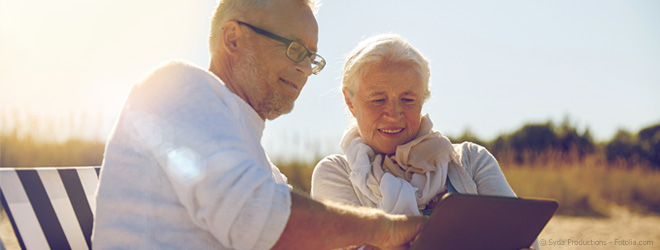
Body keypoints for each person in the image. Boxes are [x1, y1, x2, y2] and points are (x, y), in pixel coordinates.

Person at [92, 1, 426, 249]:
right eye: (295, 49)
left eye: (312, 58)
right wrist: (384, 228)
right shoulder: (176, 86)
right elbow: (257, 218)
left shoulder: (260, 164)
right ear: (234, 39)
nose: (306, 69)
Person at [310, 34, 540, 249]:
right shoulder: (335, 174)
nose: (394, 113)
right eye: (378, 99)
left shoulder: (471, 160)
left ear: (423, 99)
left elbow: (523, 241)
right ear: (350, 102)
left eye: (408, 99)